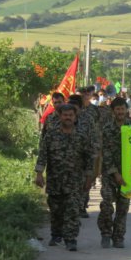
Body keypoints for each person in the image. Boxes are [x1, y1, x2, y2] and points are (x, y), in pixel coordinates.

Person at [34, 104, 93, 251]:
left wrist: (89, 178)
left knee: (72, 210)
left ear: (75, 117)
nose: (68, 117)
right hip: (55, 180)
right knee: (56, 210)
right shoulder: (51, 134)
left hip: (75, 181)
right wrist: (39, 173)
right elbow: (43, 155)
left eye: (71, 115)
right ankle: (56, 234)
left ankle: (71, 239)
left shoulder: (82, 135)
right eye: (65, 115)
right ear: (60, 116)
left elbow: (89, 158)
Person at [98, 97, 131, 248]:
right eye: (117, 109)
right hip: (109, 173)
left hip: (128, 175)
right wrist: (115, 173)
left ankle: (118, 237)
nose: (120, 112)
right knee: (107, 204)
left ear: (126, 110)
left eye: (122, 109)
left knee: (123, 206)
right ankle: (106, 233)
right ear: (113, 111)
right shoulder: (107, 129)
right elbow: (105, 153)